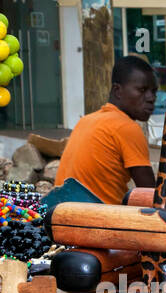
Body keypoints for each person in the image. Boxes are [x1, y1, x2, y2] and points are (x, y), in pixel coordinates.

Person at [51, 56, 157, 209]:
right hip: (98, 221)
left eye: (153, 92)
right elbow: (151, 196)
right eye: (142, 90)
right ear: (117, 91)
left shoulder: (85, 121)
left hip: (60, 214)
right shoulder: (127, 128)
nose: (151, 98)